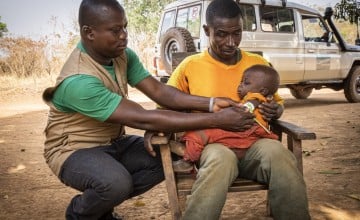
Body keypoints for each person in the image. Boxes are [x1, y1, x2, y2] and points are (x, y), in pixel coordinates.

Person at [42, 0, 255, 219]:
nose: (124, 35)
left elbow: (161, 92)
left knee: (170, 157)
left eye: (124, 27)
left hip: (114, 143)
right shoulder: (79, 82)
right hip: (73, 151)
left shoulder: (122, 55)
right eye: (115, 31)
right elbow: (144, 119)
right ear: (89, 33)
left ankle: (104, 202)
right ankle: (81, 213)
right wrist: (218, 119)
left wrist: (210, 103)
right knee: (116, 184)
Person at [165, 0, 311, 219]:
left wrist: (276, 110)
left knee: (281, 156)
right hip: (215, 146)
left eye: (237, 33)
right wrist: (154, 130)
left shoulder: (257, 63)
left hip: (255, 145)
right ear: (207, 31)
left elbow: (278, 101)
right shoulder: (190, 66)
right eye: (222, 34)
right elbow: (165, 103)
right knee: (219, 160)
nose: (231, 42)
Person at [171, 64, 280, 172]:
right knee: (206, 135)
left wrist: (228, 113)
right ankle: (189, 151)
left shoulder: (255, 97)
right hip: (245, 132)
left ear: (263, 91)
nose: (240, 86)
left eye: (246, 83)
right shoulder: (258, 97)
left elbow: (247, 109)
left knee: (202, 134)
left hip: (246, 130)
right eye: (241, 82)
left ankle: (187, 157)